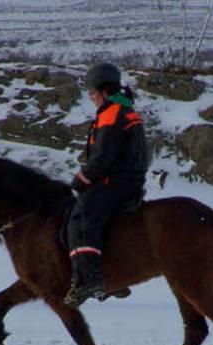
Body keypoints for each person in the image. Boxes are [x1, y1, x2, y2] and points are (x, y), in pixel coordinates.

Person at [63, 62, 148, 308]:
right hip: (127, 180)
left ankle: (90, 281)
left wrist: (82, 179)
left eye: (92, 93)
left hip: (117, 181)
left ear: (104, 91)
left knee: (81, 218)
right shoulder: (124, 109)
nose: (91, 99)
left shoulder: (112, 113)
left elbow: (103, 156)